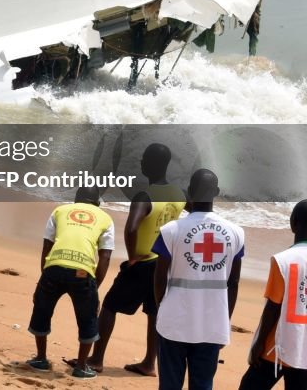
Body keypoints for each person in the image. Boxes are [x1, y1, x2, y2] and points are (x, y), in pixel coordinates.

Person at [78, 143, 187, 376]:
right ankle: (149, 363)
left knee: (109, 305)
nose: (141, 162)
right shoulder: (179, 195)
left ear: (151, 164)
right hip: (166, 262)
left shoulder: (144, 196)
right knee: (154, 311)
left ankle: (96, 359)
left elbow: (131, 228)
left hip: (144, 261)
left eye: (144, 159)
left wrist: (132, 257)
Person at [153, 169, 245, 390]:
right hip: (212, 323)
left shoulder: (170, 230)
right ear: (216, 192)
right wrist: (225, 319)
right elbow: (233, 283)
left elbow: (159, 278)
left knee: (169, 384)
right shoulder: (236, 232)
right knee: (203, 384)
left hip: (174, 320)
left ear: (190, 193)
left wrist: (161, 308)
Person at [27, 187, 115, 379]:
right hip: (82, 272)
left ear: (76, 200)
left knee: (42, 310)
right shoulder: (105, 218)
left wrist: (45, 277)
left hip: (54, 267)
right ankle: (81, 366)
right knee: (88, 318)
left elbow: (47, 245)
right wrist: (95, 287)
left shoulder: (60, 211)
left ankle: (41, 359)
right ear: (97, 203)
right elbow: (105, 256)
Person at [239, 199, 307, 389]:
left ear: (293, 223)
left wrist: (259, 343)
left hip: (277, 346)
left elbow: (273, 306)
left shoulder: (283, 260)